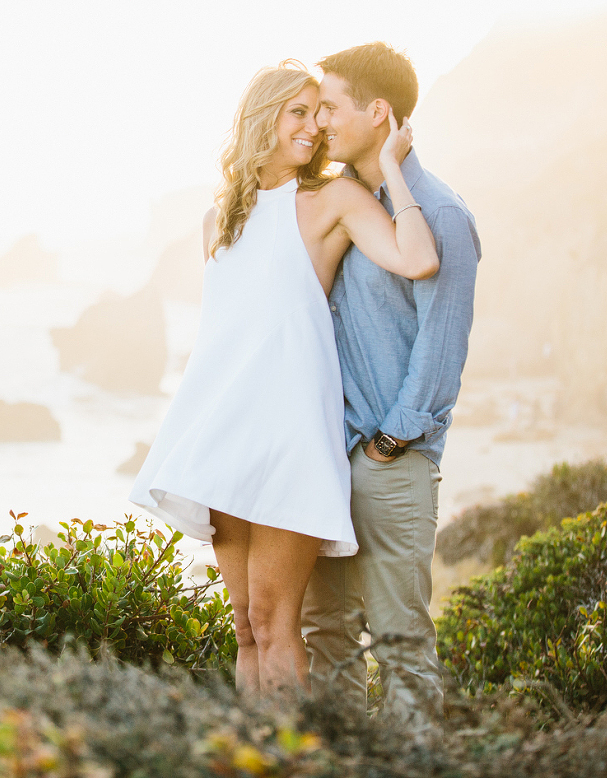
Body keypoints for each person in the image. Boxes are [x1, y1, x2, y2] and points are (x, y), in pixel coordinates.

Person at [129, 61, 438, 694]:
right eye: (298, 112)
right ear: (262, 118)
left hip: (288, 437)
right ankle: (257, 756)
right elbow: (225, 339)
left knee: (276, 624)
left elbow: (419, 257)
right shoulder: (220, 220)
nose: (313, 127)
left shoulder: (332, 201)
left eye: (318, 112)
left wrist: (397, 171)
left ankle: (293, 759)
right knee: (244, 627)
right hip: (222, 434)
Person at [299, 42, 480, 725]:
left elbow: (440, 348)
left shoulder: (441, 214)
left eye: (329, 109)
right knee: (326, 635)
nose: (318, 123)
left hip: (388, 458)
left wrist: (389, 441)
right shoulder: (341, 205)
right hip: (324, 457)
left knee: (400, 643)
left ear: (378, 113)